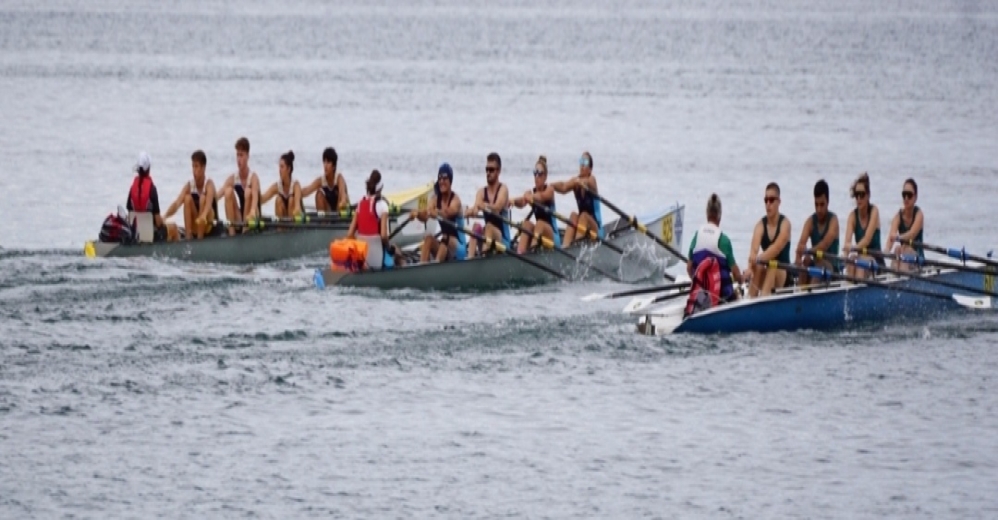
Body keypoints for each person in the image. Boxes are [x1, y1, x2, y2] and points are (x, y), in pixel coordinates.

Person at [687, 194, 743, 304]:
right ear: (720, 215)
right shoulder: (724, 241)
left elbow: (689, 268)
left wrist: (699, 282)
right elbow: (736, 275)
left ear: (706, 213)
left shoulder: (696, 237)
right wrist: (743, 278)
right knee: (738, 292)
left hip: (702, 297)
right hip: (723, 298)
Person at [347, 170, 403, 269]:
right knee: (398, 253)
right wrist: (391, 248)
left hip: (362, 260)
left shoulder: (360, 204)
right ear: (381, 188)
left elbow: (350, 234)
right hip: (377, 259)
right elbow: (384, 236)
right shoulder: (383, 205)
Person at [411, 163, 465, 263]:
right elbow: (425, 216)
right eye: (439, 178)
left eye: (444, 178)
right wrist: (418, 214)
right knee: (428, 239)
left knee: (445, 238)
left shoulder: (455, 200)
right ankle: (422, 269)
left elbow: (447, 213)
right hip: (445, 246)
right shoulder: (434, 200)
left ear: (450, 181)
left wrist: (436, 213)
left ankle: (436, 267)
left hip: (459, 247)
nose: (441, 181)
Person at [162, 150, 221, 240]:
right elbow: (177, 203)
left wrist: (203, 216)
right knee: (187, 198)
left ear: (203, 168)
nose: (194, 170)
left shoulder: (209, 184)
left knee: (202, 199)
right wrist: (165, 216)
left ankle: (200, 239)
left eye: (196, 166)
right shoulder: (190, 185)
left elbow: (208, 204)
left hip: (210, 225)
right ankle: (188, 238)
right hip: (197, 224)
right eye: (193, 166)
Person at [746, 182, 792, 297]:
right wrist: (750, 267)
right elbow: (754, 250)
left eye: (771, 200)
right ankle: (751, 298)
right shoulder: (760, 226)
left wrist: (758, 259)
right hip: (767, 273)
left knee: (772, 265)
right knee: (759, 266)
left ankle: (764, 297)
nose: (768, 204)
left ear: (779, 202)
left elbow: (776, 248)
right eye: (765, 200)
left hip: (784, 274)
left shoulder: (785, 224)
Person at [794, 179, 841, 284]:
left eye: (822, 204)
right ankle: (801, 292)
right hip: (816, 264)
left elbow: (824, 244)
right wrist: (799, 257)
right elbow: (801, 244)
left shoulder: (834, 220)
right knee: (805, 263)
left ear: (828, 202)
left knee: (819, 266)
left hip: (831, 268)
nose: (819, 209)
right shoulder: (810, 222)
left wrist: (808, 251)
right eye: (816, 205)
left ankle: (809, 294)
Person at [552, 151, 602, 248]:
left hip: (596, 228)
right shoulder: (576, 181)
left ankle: (576, 248)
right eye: (581, 161)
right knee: (573, 215)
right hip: (583, 226)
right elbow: (563, 187)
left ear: (590, 169)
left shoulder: (592, 179)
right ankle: (565, 247)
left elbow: (588, 182)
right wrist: (550, 186)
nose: (582, 165)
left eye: (585, 162)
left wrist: (580, 182)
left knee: (583, 215)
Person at [464, 152, 510, 257]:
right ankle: (470, 260)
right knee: (476, 227)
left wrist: (484, 206)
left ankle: (484, 255)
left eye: (491, 170)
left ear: (498, 171)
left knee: (489, 226)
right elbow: (476, 207)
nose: (488, 173)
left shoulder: (503, 189)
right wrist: (469, 212)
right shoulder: (481, 192)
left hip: (503, 240)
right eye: (487, 170)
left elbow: (497, 208)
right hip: (488, 237)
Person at [511, 156, 560, 254]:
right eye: (535, 173)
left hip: (553, 237)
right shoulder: (531, 193)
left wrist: (530, 197)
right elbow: (522, 202)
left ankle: (533, 251)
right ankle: (520, 254)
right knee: (527, 224)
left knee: (540, 224)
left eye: (540, 173)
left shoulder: (549, 190)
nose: (536, 176)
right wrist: (512, 201)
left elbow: (542, 197)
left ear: (545, 176)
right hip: (539, 234)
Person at [217, 137, 261, 235]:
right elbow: (217, 196)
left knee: (248, 192)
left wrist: (253, 211)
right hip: (240, 217)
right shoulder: (233, 178)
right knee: (228, 191)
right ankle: (232, 233)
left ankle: (245, 231)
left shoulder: (253, 178)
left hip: (253, 216)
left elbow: (255, 198)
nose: (238, 159)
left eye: (241, 155)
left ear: (248, 156)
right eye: (237, 155)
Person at [125, 151, 171, 242]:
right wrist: (163, 222)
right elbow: (158, 222)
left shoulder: (132, 188)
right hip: (151, 235)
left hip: (136, 235)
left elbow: (129, 213)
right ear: (149, 169)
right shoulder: (152, 189)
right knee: (172, 228)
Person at [842, 172, 882, 278]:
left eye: (862, 195)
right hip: (860, 257)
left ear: (868, 195)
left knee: (859, 263)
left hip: (876, 259)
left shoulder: (874, 211)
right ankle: (849, 291)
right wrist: (845, 258)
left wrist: (853, 248)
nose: (859, 199)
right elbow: (847, 243)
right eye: (856, 195)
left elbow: (867, 240)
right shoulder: (852, 216)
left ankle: (857, 292)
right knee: (851, 262)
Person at [885, 178, 924, 271]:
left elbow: (911, 234)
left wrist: (898, 237)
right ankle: (894, 278)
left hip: (917, 257)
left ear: (915, 197)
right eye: (904, 195)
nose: (906, 198)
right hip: (903, 255)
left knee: (906, 250)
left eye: (909, 195)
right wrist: (886, 250)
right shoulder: (898, 217)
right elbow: (890, 239)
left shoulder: (919, 214)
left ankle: (901, 279)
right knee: (897, 249)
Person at [301, 147, 350, 213]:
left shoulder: (339, 178)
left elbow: (343, 194)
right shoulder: (321, 180)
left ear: (334, 166)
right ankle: (323, 222)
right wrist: (295, 192)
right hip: (329, 211)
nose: (325, 165)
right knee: (319, 194)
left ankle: (339, 219)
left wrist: (343, 201)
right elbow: (307, 191)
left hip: (341, 210)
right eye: (324, 162)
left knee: (342, 197)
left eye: (328, 162)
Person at [260, 150, 303, 219]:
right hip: (283, 218)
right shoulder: (277, 186)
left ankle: (292, 228)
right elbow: (262, 199)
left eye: (282, 167)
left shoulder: (296, 185)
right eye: (279, 167)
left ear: (288, 169)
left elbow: (297, 205)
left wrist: (297, 209)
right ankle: (280, 229)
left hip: (296, 218)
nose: (279, 170)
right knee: (278, 199)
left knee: (291, 200)